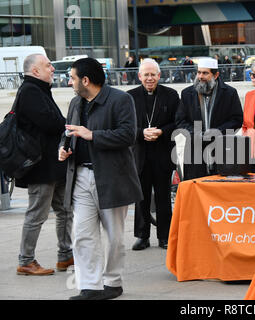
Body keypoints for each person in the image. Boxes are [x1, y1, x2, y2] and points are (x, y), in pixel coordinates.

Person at [58, 57, 142, 300]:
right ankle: (90, 286)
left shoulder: (120, 100)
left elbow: (127, 136)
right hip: (81, 176)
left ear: (85, 80)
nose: (70, 81)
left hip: (112, 177)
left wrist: (92, 135)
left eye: (72, 77)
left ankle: (113, 282)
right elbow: (68, 133)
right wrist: (63, 148)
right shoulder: (75, 102)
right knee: (82, 233)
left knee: (114, 236)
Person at [15, 53, 73, 276]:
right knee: (37, 213)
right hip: (40, 167)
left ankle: (65, 255)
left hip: (53, 164)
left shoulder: (39, 90)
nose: (52, 68)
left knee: (65, 209)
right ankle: (26, 260)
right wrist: (65, 124)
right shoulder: (30, 91)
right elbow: (51, 122)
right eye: (48, 65)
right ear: (35, 71)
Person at [127, 59, 179, 251]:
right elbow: (125, 126)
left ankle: (165, 236)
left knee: (164, 197)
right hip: (139, 154)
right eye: (145, 75)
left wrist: (161, 132)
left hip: (163, 153)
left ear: (159, 75)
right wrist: (142, 133)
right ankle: (142, 236)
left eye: (153, 74)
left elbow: (178, 121)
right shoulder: (129, 97)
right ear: (139, 76)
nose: (149, 78)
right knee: (141, 197)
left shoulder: (171, 95)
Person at [175, 57, 243, 180]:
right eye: (199, 72)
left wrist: (215, 133)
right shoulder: (187, 93)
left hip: (221, 148)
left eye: (205, 73)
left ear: (215, 75)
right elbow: (180, 120)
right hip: (194, 149)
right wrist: (196, 134)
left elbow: (236, 120)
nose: (200, 76)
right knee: (197, 189)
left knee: (220, 189)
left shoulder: (229, 93)